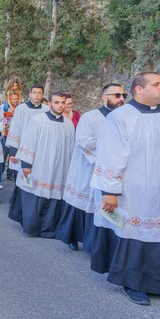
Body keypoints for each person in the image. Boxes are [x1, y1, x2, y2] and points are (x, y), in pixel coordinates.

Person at [89, 72, 160, 306]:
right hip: (133, 190)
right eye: (157, 84)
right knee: (134, 232)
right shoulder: (121, 117)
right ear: (139, 89)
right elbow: (109, 155)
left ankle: (157, 281)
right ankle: (133, 282)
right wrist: (109, 191)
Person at [55, 84, 126, 251]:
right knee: (81, 204)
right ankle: (72, 236)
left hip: (112, 172)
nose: (121, 99)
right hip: (87, 169)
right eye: (117, 95)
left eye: (123, 95)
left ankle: (96, 243)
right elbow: (83, 141)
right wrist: (106, 154)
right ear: (104, 97)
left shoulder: (125, 118)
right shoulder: (90, 117)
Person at [14, 92, 75, 237]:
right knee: (36, 194)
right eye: (57, 102)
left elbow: (72, 148)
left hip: (60, 167)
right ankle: (33, 227)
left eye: (62, 102)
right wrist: (26, 165)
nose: (60, 105)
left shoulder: (69, 125)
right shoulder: (37, 120)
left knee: (54, 195)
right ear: (50, 104)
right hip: (40, 164)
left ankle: (50, 229)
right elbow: (29, 142)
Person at [6, 85, 49, 223]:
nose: (36, 95)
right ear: (30, 94)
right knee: (24, 181)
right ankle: (21, 211)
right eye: (34, 93)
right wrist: (12, 151)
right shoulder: (21, 109)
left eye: (39, 93)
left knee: (37, 182)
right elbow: (15, 128)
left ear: (42, 95)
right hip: (24, 151)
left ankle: (35, 212)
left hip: (41, 153)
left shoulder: (46, 110)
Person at [2, 92, 20, 181]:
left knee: (14, 156)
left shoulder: (21, 109)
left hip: (16, 137)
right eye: (13, 99)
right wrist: (3, 126)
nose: (15, 101)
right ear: (9, 99)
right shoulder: (4, 108)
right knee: (4, 155)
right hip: (5, 135)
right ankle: (0, 174)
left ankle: (11, 173)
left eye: (17, 99)